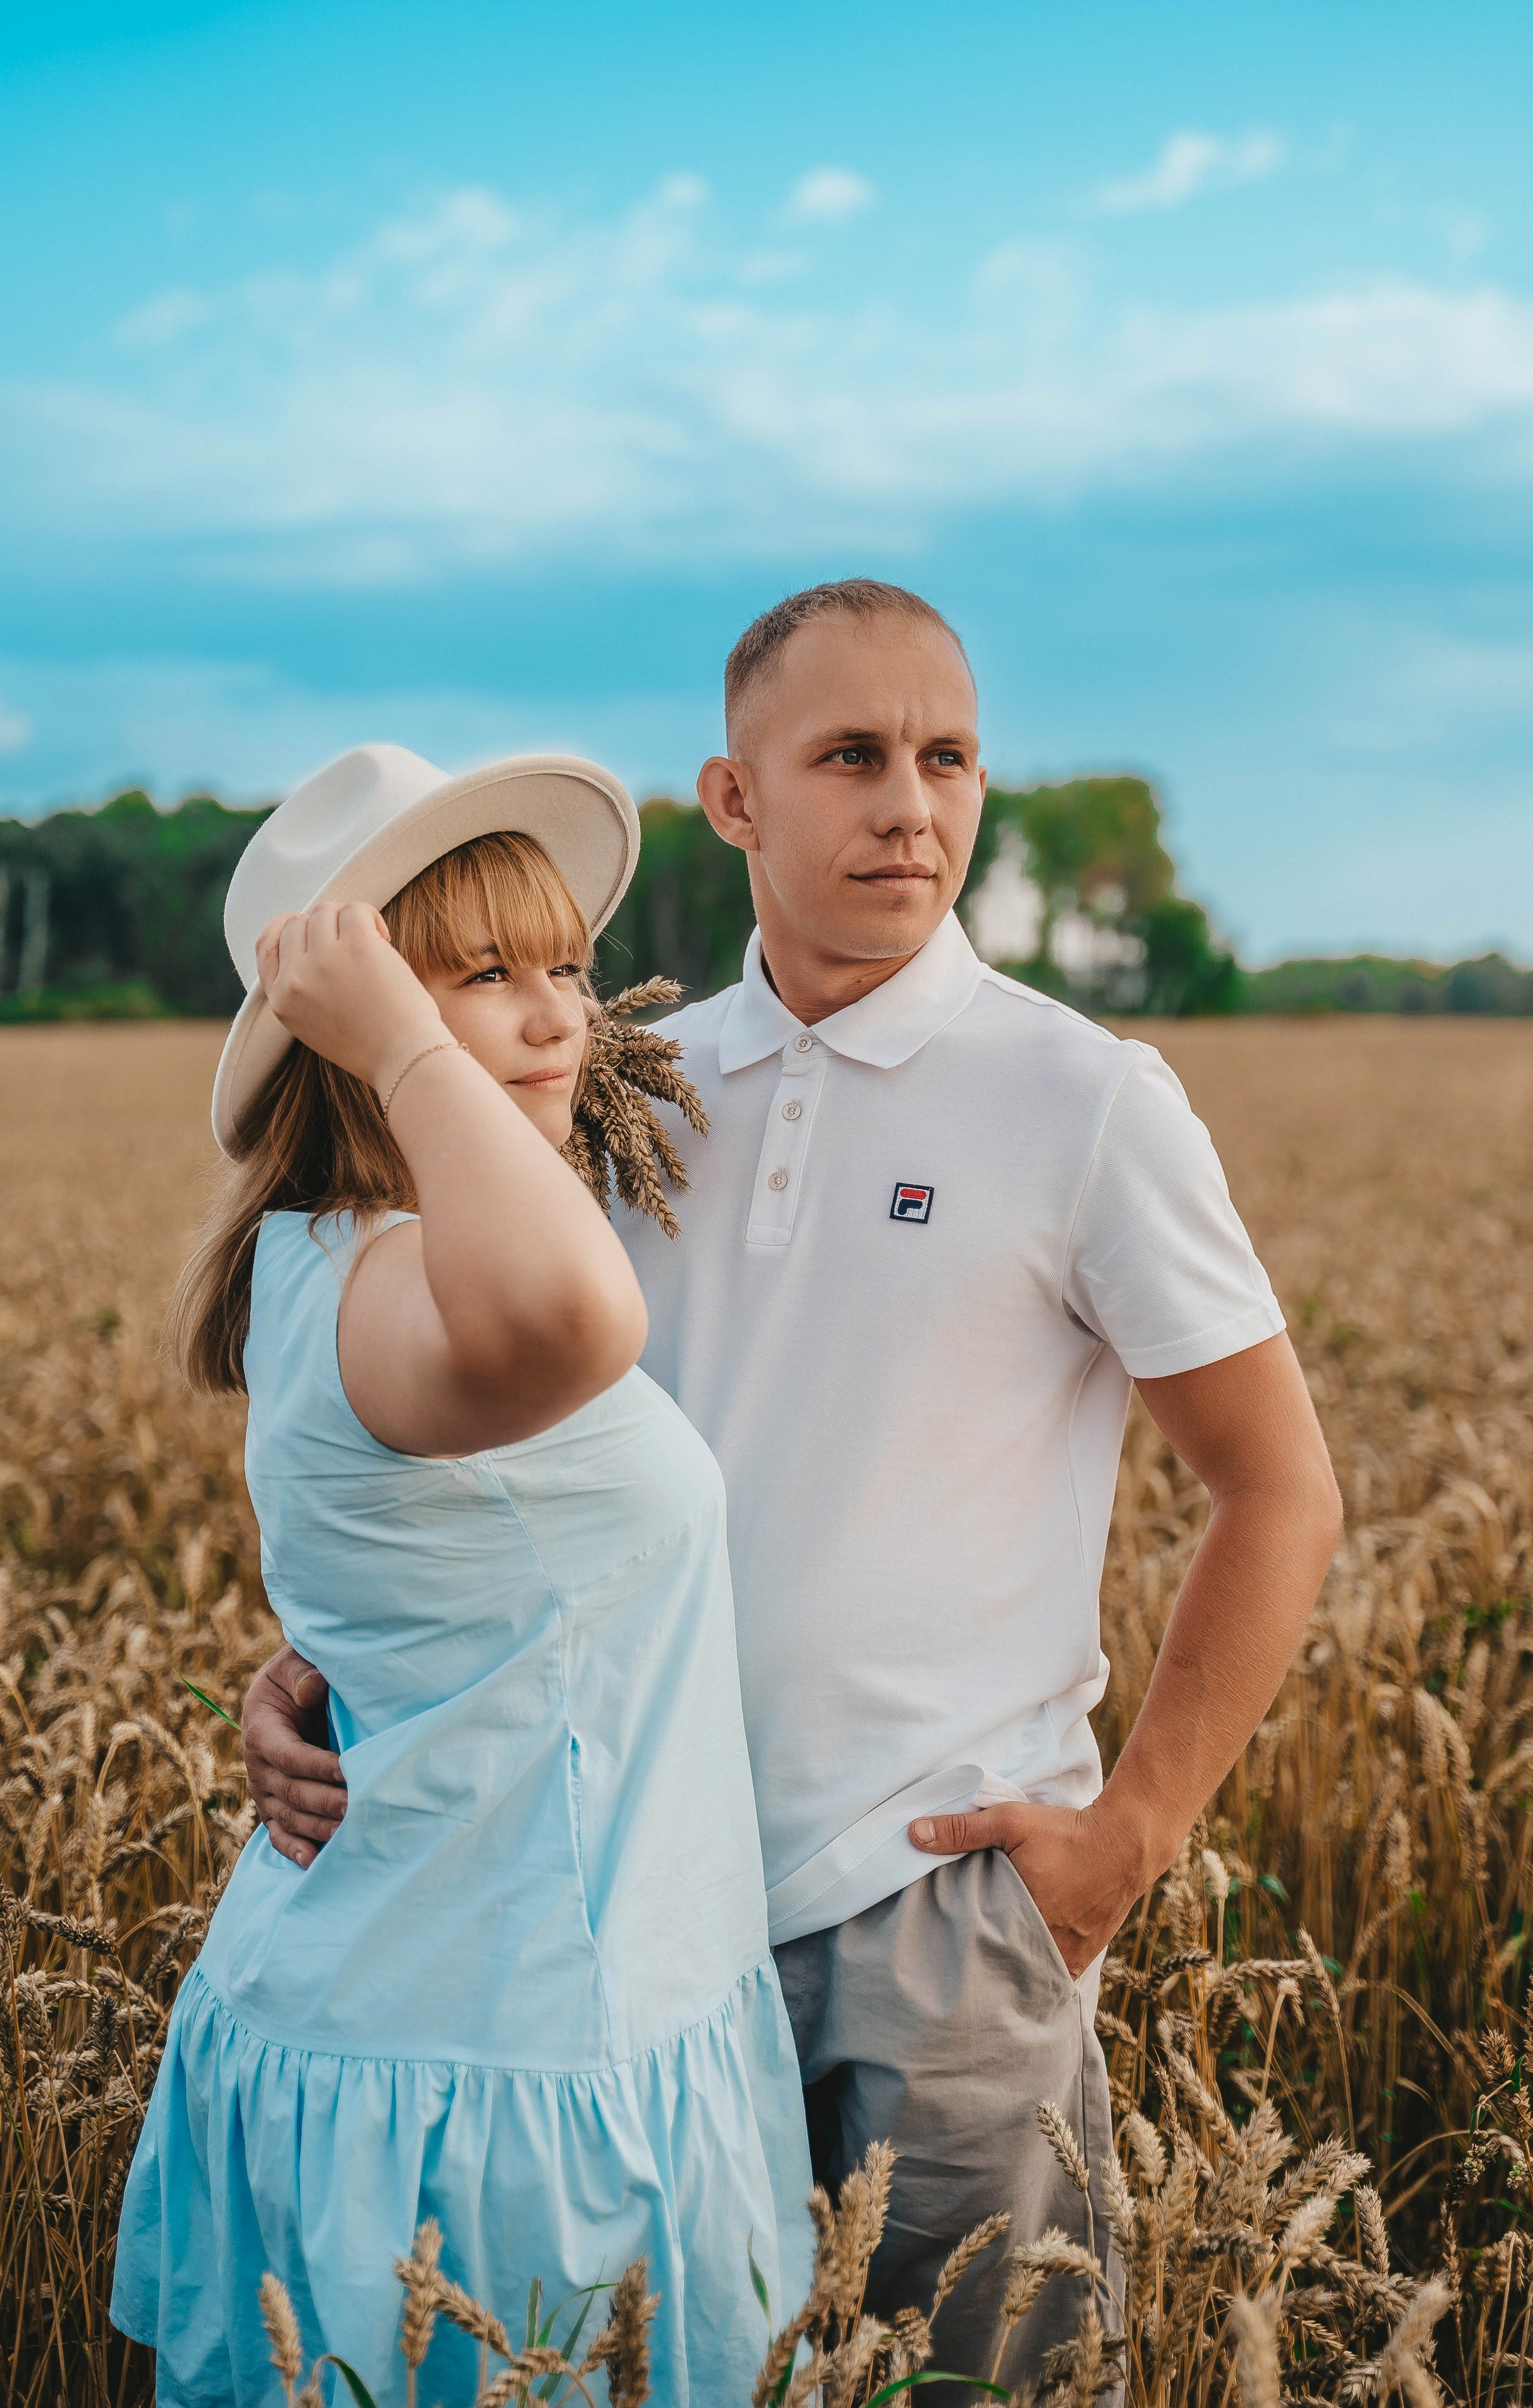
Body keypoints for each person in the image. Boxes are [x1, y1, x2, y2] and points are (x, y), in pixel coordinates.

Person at [245, 590, 1344, 2384]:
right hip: (611, 1925)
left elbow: (1278, 1489)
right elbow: (481, 1428)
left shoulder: (1086, 1100)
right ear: (734, 799)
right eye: (851, 758)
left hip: (930, 1909)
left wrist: (1120, 1846)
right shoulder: (607, 1090)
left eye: (948, 757)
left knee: (972, 2376)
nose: (911, 805)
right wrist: (326, 1655)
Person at [113, 744, 811, 2407]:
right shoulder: (404, 1272)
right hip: (495, 2077)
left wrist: (314, 1662)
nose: (561, 1014)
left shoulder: (331, 1257)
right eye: (477, 974)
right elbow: (583, 1315)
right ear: (355, 1032)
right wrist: (405, 1041)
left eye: (565, 963)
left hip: (434, 2003)